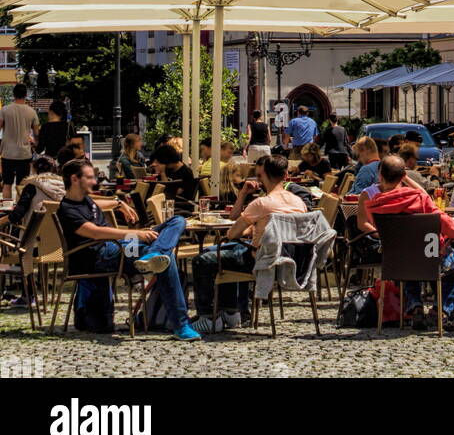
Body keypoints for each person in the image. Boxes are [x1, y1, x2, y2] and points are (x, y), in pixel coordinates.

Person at [58, 158, 199, 339]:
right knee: (167, 260)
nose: (94, 182)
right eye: (89, 177)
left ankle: (155, 253)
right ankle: (181, 325)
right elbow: (95, 233)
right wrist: (135, 234)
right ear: (74, 179)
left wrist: (118, 203)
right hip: (101, 256)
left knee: (177, 221)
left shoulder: (85, 200)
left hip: (120, 248)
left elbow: (98, 204)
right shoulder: (67, 209)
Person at [357, 155, 454, 331]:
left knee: (411, 261)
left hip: (397, 260)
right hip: (430, 257)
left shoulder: (375, 203)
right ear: (404, 175)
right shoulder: (419, 198)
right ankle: (440, 310)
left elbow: (366, 225)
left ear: (380, 175)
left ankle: (415, 308)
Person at [191, 153, 306, 332]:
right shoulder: (298, 202)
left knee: (203, 260)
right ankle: (231, 313)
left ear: (263, 176)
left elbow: (231, 233)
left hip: (260, 260)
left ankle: (208, 316)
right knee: (224, 254)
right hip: (290, 261)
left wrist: (245, 198)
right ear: (285, 176)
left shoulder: (262, 203)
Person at [0, 155, 64, 235]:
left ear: (34, 169)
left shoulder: (32, 187)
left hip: (33, 240)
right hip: (58, 241)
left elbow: (17, 215)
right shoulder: (65, 188)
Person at [151, 142, 197, 210]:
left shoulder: (186, 172)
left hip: (179, 205)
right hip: (165, 203)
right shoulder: (168, 168)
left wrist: (163, 173)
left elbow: (171, 194)